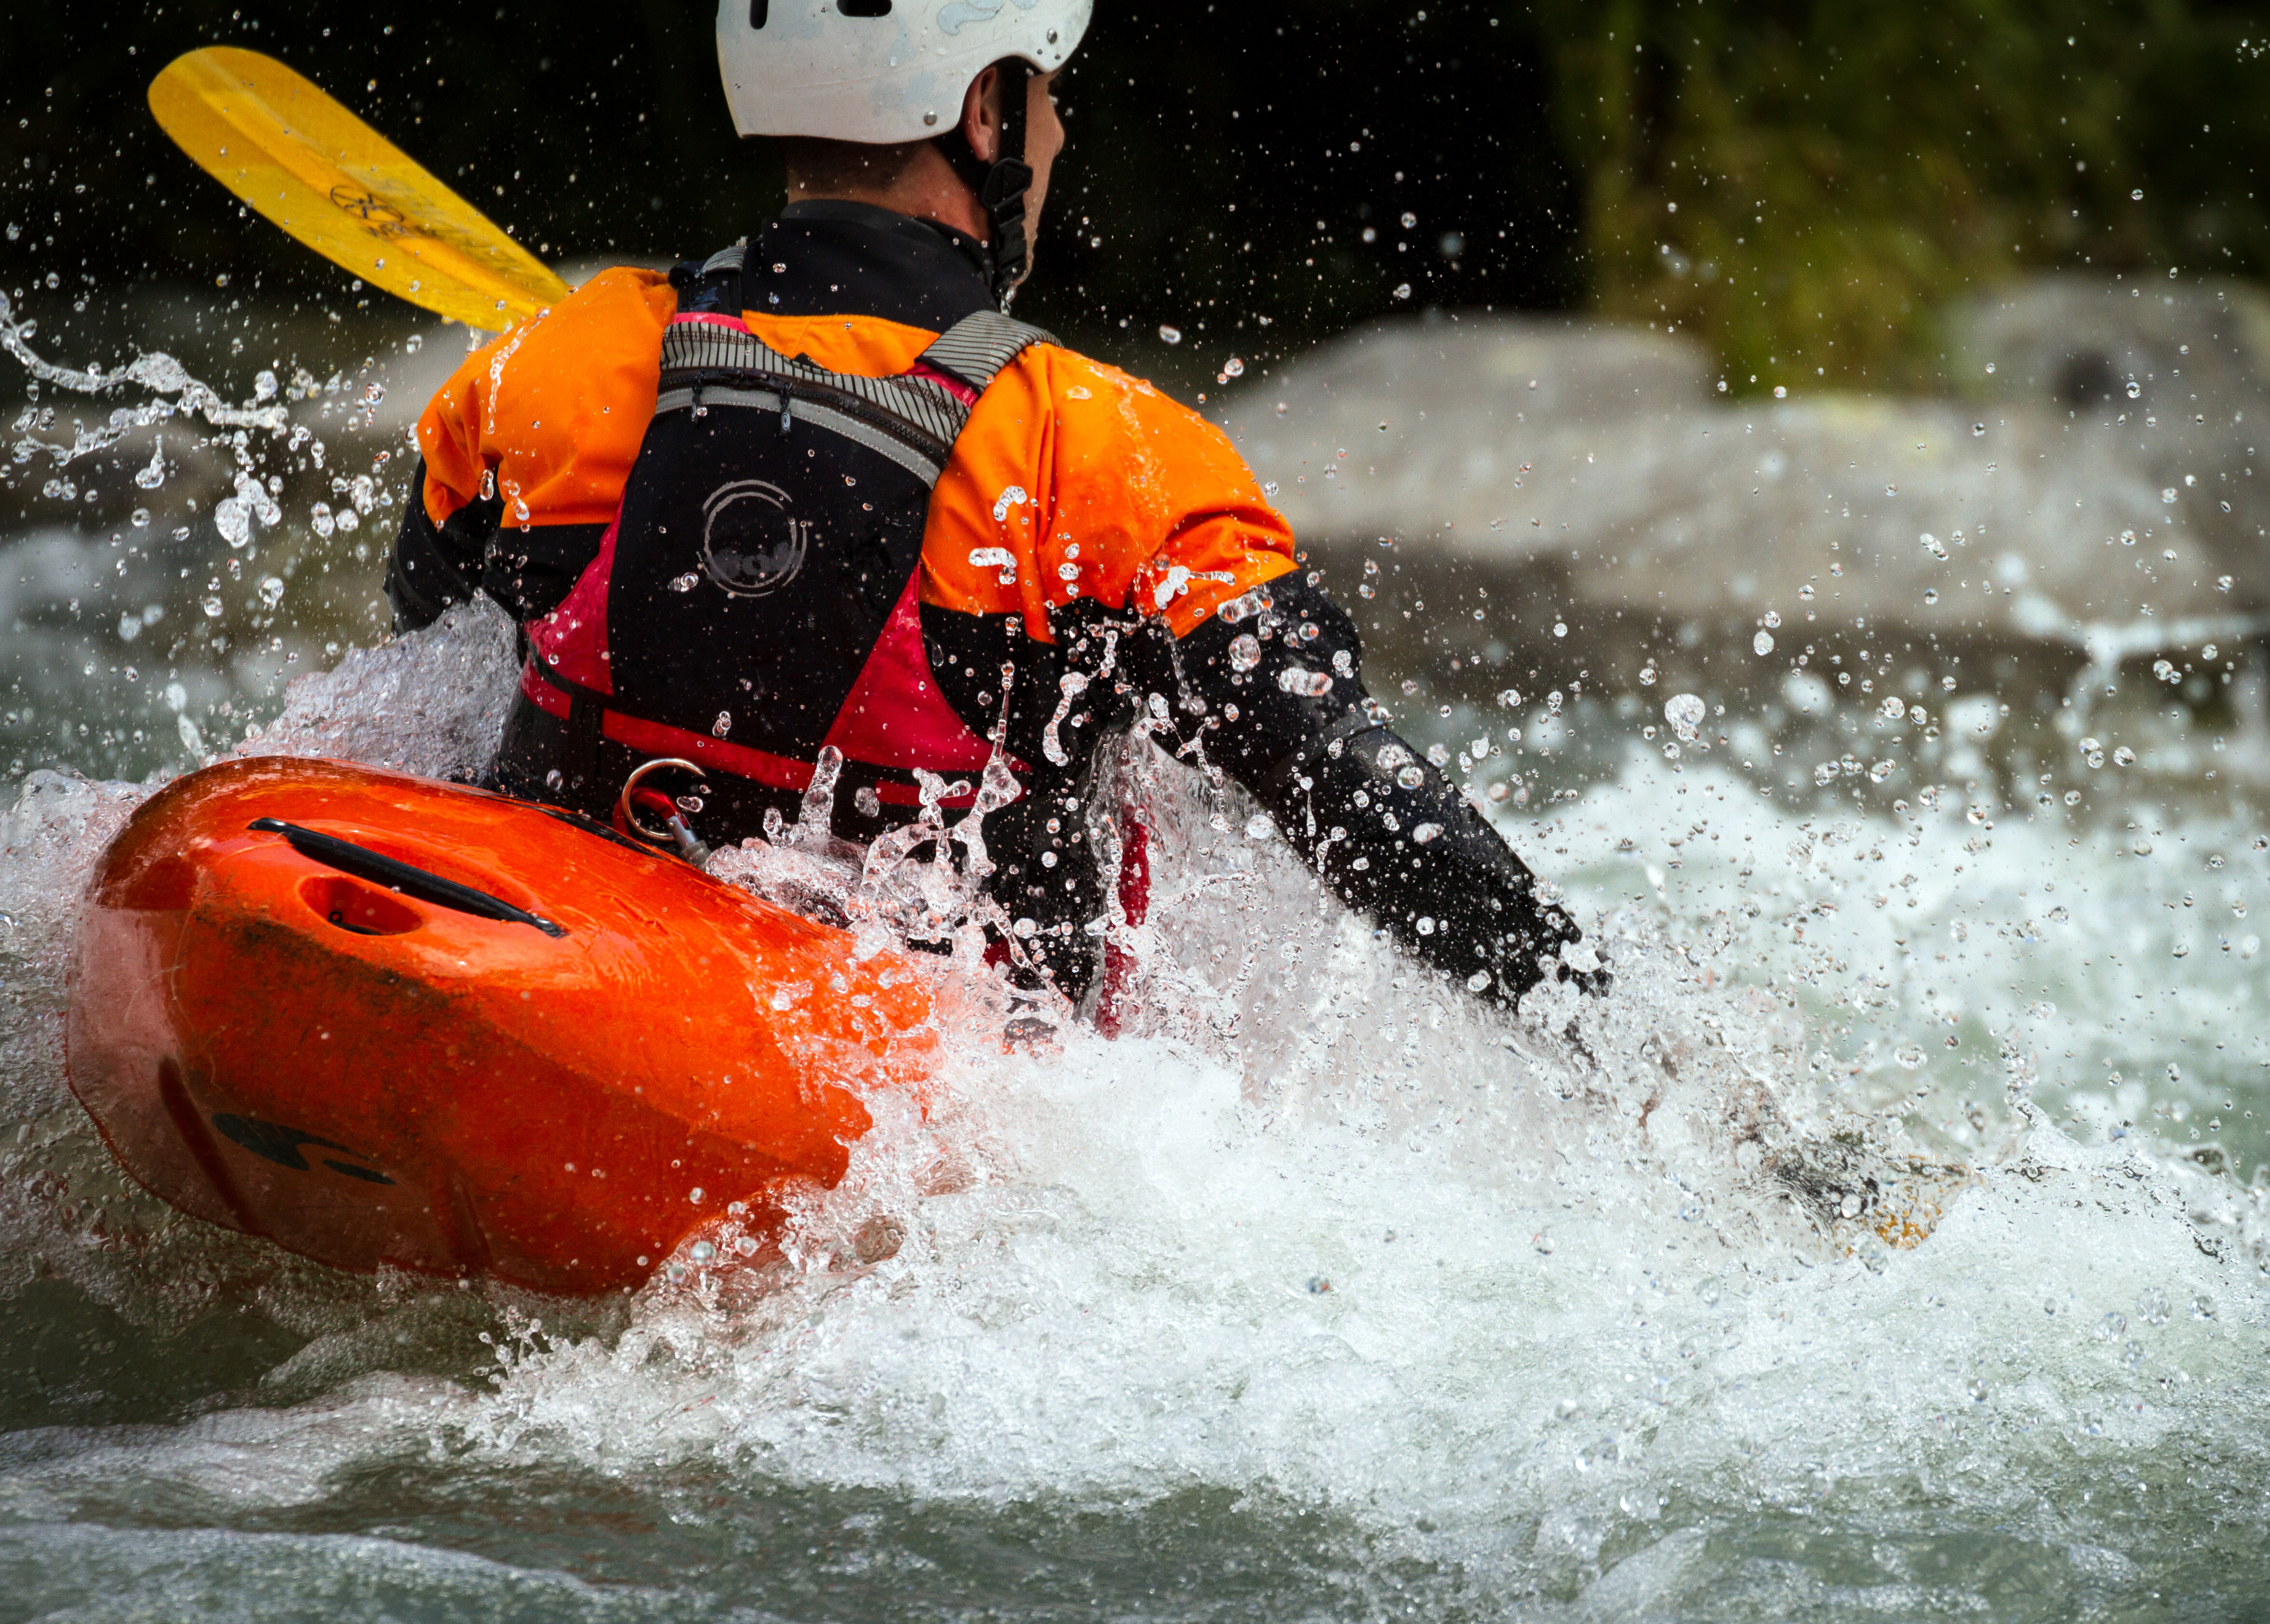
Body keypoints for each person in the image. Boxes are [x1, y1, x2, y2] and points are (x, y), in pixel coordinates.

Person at [386, 0, 1596, 1012]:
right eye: (1046, 95)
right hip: (939, 1111)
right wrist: (1597, 1027)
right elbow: (1348, 787)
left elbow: (417, 649)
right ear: (981, 114)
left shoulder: (553, 368)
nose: (1058, 131)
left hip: (558, 968)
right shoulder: (1099, 448)